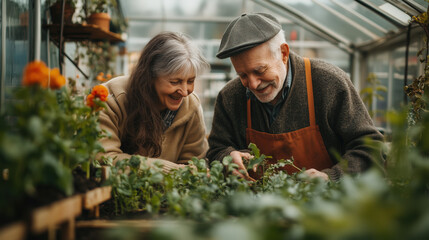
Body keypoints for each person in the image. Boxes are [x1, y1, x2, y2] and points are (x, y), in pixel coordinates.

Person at [206, 13, 385, 181]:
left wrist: (332, 177)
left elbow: (371, 148)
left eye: (259, 70)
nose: (252, 84)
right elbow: (216, 149)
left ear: (283, 53)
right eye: (242, 76)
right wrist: (227, 157)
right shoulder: (230, 97)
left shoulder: (328, 82)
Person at [98, 31, 210, 173]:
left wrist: (192, 171)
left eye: (190, 81)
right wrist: (167, 170)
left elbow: (196, 162)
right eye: (175, 82)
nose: (184, 91)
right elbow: (104, 158)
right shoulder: (111, 99)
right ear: (150, 75)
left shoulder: (191, 106)